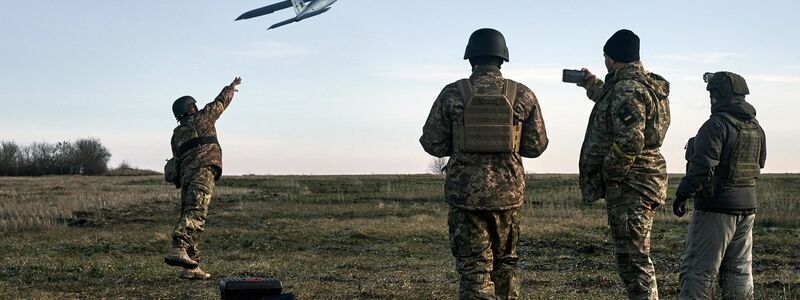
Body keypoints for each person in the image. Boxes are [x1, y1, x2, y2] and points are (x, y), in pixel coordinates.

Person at [420, 28, 548, 299]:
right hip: (508, 199)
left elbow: (433, 143)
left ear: (470, 59)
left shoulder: (453, 93)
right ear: (502, 59)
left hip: (465, 199)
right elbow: (536, 147)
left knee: (474, 270)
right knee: (506, 266)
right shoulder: (523, 94)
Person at [575, 29, 670, 299]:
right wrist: (591, 84)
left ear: (612, 59)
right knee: (633, 256)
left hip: (632, 185)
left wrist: (610, 175)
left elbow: (630, 141)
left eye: (605, 57)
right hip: (643, 180)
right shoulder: (643, 85)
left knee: (634, 260)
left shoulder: (628, 89)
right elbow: (611, 102)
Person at [673, 71, 766, 299]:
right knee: (739, 272)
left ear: (717, 95)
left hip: (716, 209)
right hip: (747, 209)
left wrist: (682, 194)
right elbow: (760, 162)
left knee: (698, 272)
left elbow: (703, 168)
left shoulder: (715, 125)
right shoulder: (756, 127)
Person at [164, 77, 242, 279]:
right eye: (194, 105)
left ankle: (191, 267)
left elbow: (177, 159)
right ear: (191, 108)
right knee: (196, 213)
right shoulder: (204, 117)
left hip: (187, 176)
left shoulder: (176, 134)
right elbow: (221, 101)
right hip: (203, 170)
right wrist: (231, 87)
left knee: (188, 212)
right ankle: (178, 246)